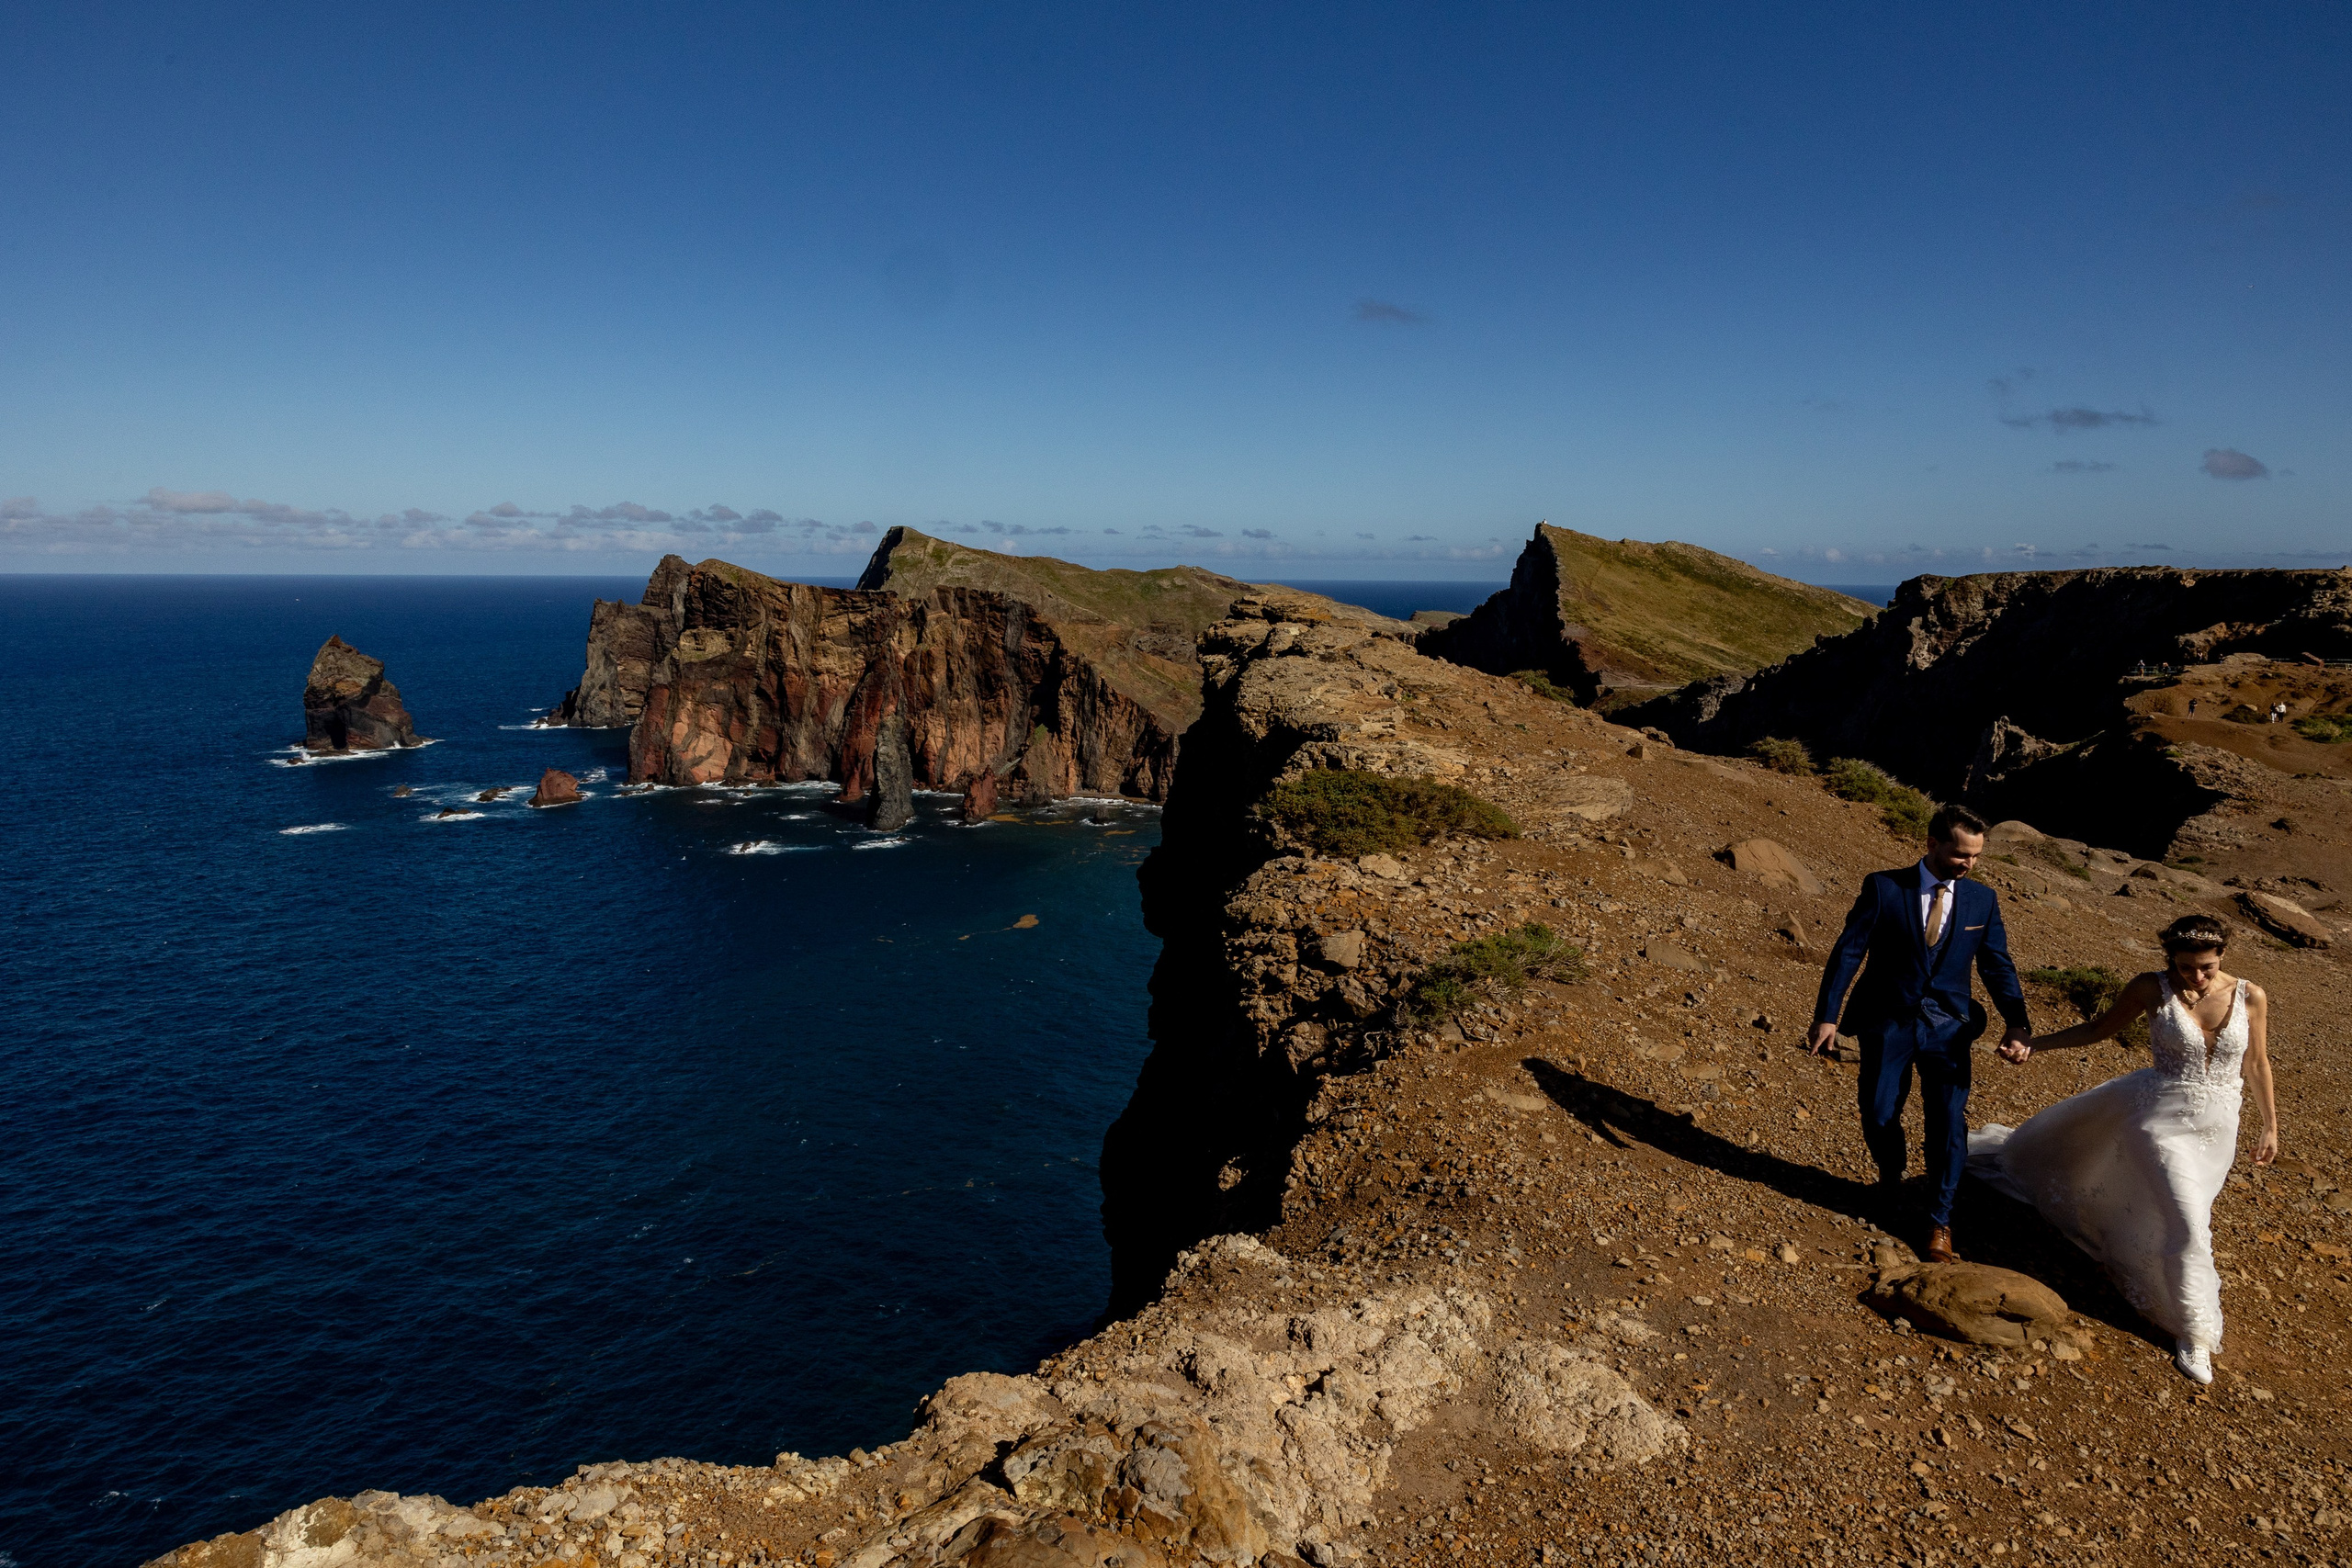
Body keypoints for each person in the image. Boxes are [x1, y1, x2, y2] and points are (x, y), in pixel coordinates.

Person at [1966, 916, 2275, 1385]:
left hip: (2218, 1130)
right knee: (2188, 1221)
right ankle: (2193, 1329)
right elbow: (2098, 1030)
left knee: (2172, 1212)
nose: (2197, 977)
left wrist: (2270, 1125)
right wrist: (2034, 1045)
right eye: (2187, 966)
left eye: (2207, 968)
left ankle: (2138, 1255)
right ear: (2170, 958)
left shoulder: (2250, 995)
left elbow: (2256, 1062)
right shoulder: (2150, 989)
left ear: (2223, 957)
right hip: (2159, 1122)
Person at [1808, 804, 2032, 1262]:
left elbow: (1996, 964)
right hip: (1887, 1022)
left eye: (1975, 857)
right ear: (1932, 844)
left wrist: (2017, 1021)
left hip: (1950, 1030)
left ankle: (1940, 1220)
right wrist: (1827, 1015)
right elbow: (1848, 952)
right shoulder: (1884, 886)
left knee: (1948, 1123)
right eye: (1960, 854)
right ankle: (1891, 1179)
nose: (1968, 864)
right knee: (1878, 1111)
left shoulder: (1981, 900)